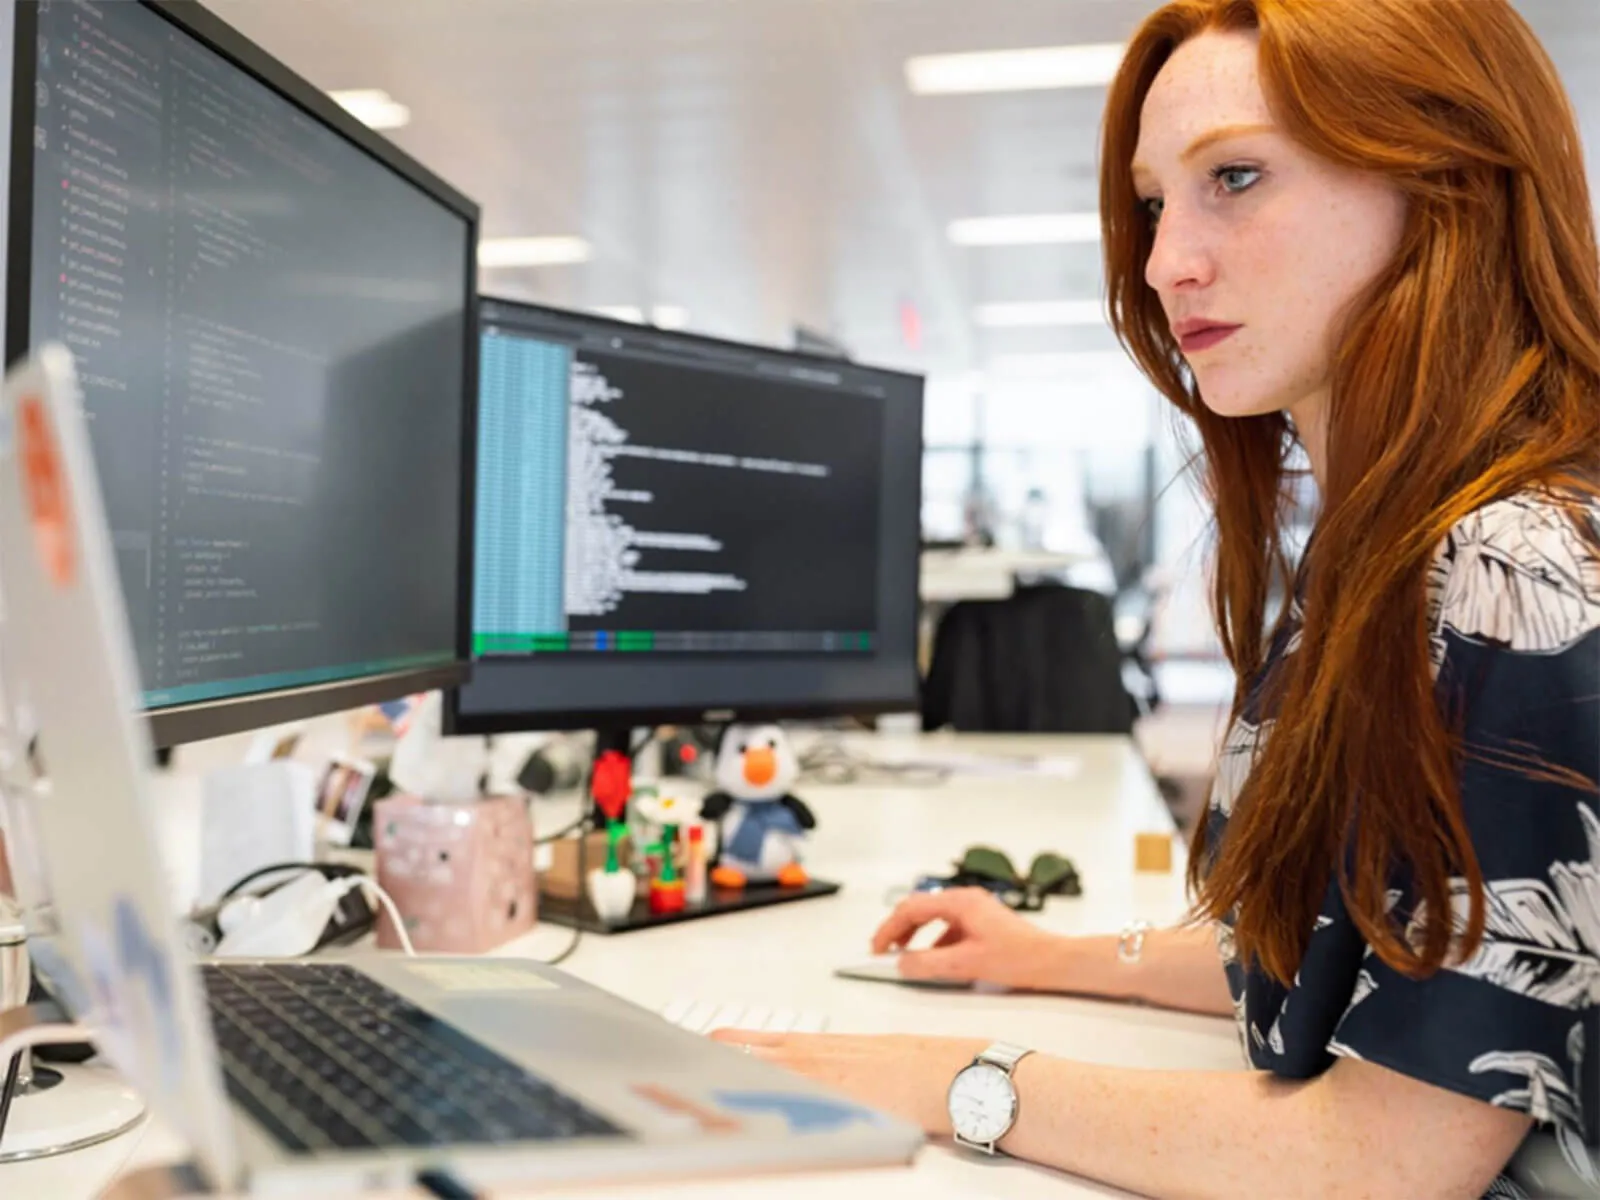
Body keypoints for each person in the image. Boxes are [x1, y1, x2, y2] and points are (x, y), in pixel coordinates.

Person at [712, 1, 1600, 1195]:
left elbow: (1391, 1155)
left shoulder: (1516, 568)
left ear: (1446, 183)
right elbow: (1365, 955)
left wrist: (946, 1079)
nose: (1163, 258)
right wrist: (1053, 955)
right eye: (1151, 202)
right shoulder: (1385, 549)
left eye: (1235, 176)